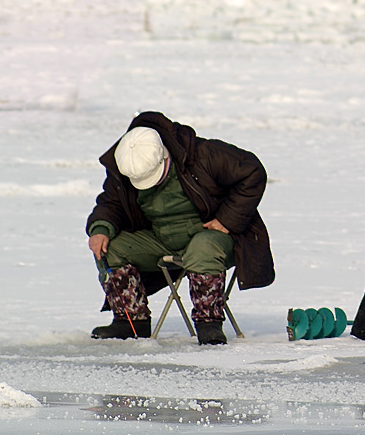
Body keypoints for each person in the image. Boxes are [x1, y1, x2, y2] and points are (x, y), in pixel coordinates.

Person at [86, 111, 274, 345]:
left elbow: (253, 173)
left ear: (164, 156)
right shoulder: (127, 163)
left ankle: (209, 324)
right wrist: (100, 228)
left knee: (202, 248)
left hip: (215, 236)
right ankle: (131, 322)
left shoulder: (204, 154)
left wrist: (227, 220)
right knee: (110, 248)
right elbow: (111, 202)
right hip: (161, 238)